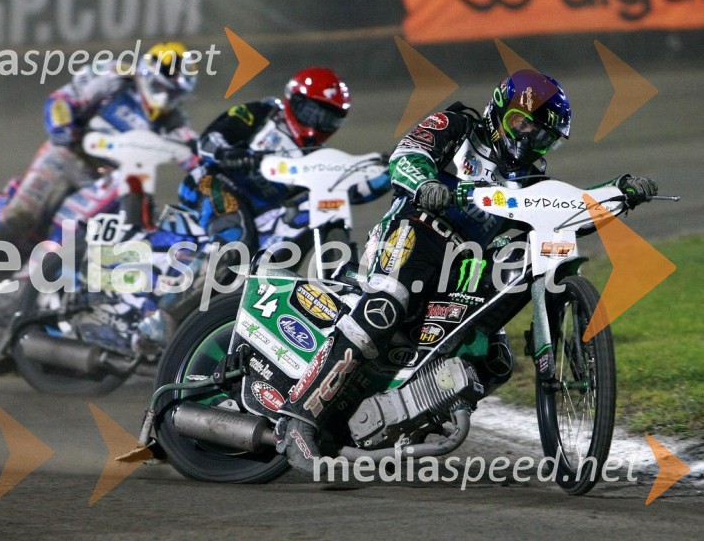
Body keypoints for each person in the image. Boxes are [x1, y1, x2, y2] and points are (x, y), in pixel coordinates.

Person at [273, 69, 659, 474]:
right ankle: (297, 419)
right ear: (499, 110)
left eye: (543, 136)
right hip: (413, 230)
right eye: (523, 124)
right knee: (385, 307)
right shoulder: (457, 125)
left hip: (463, 262)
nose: (529, 138)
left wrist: (619, 192)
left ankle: (411, 414)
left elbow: (566, 214)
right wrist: (425, 184)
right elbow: (406, 155)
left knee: (494, 358)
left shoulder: (530, 179)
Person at [0, 42, 200, 328]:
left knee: (96, 236)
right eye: (162, 87)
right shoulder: (115, 77)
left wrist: (212, 169)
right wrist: (63, 127)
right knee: (21, 217)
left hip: (107, 181)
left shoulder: (173, 122)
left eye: (173, 93)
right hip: (67, 157)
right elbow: (63, 99)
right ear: (149, 73)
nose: (164, 97)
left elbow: (194, 153)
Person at [164, 67, 390, 316]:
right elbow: (210, 139)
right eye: (312, 112)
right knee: (237, 240)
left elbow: (350, 191)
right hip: (214, 183)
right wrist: (230, 154)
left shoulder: (316, 158)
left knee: (305, 218)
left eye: (328, 118)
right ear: (294, 101)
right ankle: (175, 313)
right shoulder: (261, 113)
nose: (316, 124)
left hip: (260, 212)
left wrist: (391, 173)